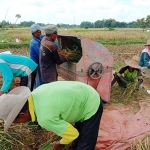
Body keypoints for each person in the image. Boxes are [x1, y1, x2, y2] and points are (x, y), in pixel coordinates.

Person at [0, 81, 103, 150]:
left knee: (85, 144)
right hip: (81, 92)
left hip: (90, 103)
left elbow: (72, 134)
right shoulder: (35, 93)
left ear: (22, 114)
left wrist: (60, 143)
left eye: (14, 121)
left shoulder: (44, 118)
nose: (18, 124)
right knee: (80, 133)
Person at [30, 23, 45, 88]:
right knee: (38, 81)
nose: (39, 33)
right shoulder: (34, 43)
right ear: (33, 33)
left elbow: (45, 36)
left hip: (39, 63)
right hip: (35, 65)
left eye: (40, 31)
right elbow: (41, 54)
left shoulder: (39, 38)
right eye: (37, 32)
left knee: (41, 79)